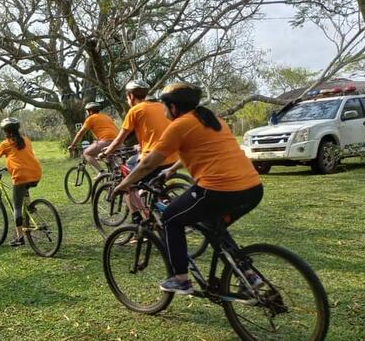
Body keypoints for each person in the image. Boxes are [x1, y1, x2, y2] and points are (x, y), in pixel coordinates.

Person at [113, 82, 264, 295]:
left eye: (165, 105)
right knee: (214, 226)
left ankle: (180, 279)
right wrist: (172, 169)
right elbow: (199, 148)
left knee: (170, 219)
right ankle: (248, 273)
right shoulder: (212, 119)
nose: (163, 109)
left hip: (218, 191)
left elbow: (147, 164)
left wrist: (123, 184)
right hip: (252, 189)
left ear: (174, 107)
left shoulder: (179, 125)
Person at [99, 80, 178, 220]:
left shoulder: (135, 110)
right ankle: (156, 201)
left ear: (130, 96)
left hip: (153, 159)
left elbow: (119, 139)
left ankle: (140, 221)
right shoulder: (161, 106)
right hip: (174, 158)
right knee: (138, 168)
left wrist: (106, 152)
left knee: (127, 182)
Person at [0, 118, 42, 247]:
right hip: (35, 173)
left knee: (16, 207)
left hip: (20, 176)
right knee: (24, 191)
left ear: (6, 131)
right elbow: (24, 157)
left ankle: (20, 237)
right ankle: (30, 208)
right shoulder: (27, 140)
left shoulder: (5, 143)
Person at [67, 101, 119, 175]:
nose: (86, 113)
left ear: (90, 111)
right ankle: (114, 176)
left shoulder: (90, 119)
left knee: (87, 153)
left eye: (86, 111)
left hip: (106, 141)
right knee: (109, 158)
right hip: (118, 141)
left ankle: (102, 172)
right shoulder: (106, 117)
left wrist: (73, 145)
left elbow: (80, 133)